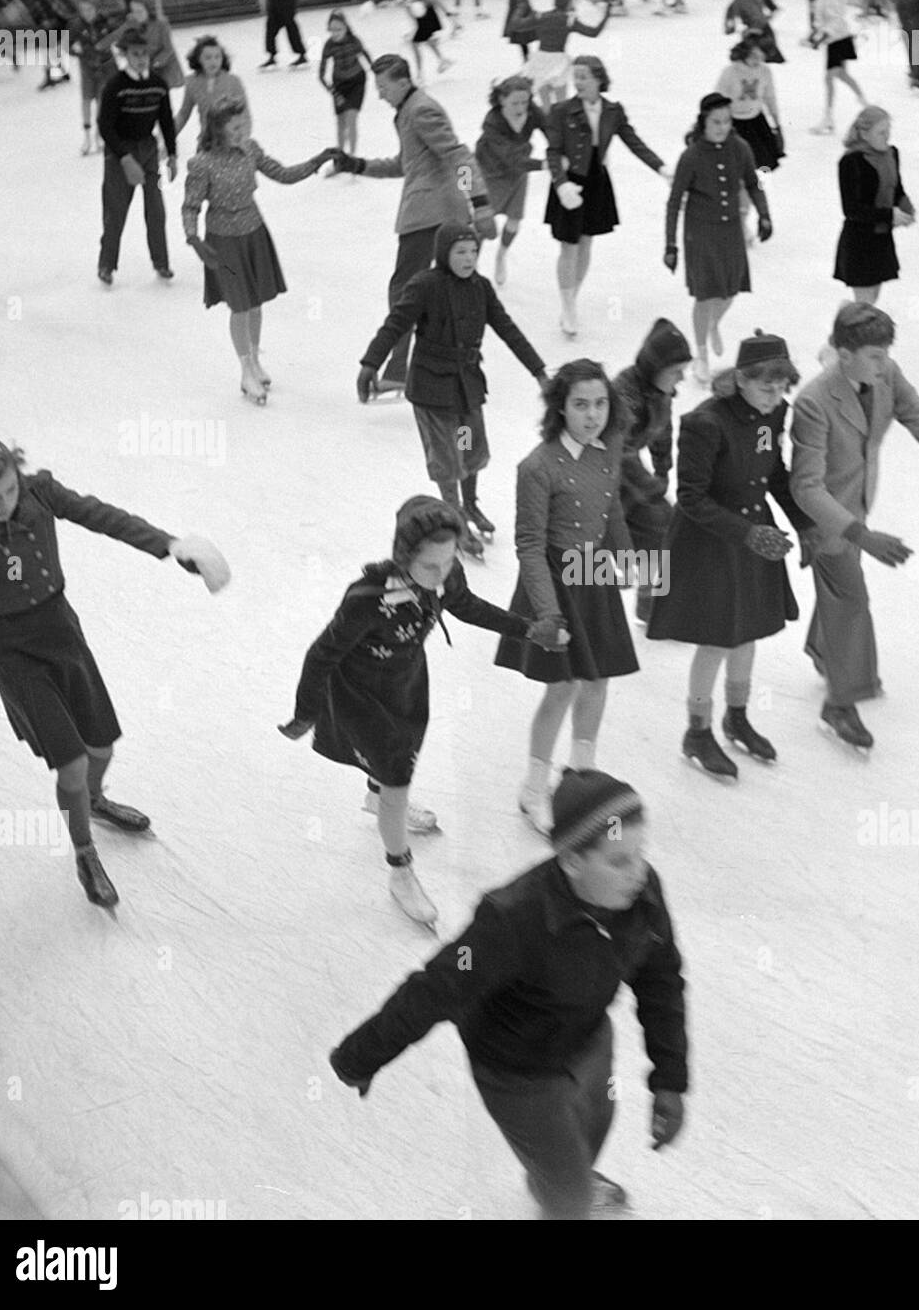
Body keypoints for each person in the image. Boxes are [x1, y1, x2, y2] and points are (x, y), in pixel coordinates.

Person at [328, 766, 687, 1220]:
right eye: (619, 861)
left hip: (590, 1044)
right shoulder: (511, 920)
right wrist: (360, 1056)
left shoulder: (644, 895)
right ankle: (565, 1192)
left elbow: (662, 982)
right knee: (569, 1197)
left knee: (591, 1137)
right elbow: (437, 986)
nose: (639, 873)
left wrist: (670, 1079)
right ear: (572, 861)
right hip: (518, 1072)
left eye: (640, 854)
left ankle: (561, 1180)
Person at [0, 429, 229, 912]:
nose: (3, 503)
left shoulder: (40, 492)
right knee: (70, 760)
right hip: (13, 650)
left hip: (62, 632)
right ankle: (85, 850)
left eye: (8, 490)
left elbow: (103, 516)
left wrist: (171, 545)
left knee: (101, 746)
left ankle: (95, 799)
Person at [281, 496, 561, 926]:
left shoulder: (446, 576)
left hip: (407, 685)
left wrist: (527, 631)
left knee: (396, 765)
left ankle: (378, 799)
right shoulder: (368, 598)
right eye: (430, 566)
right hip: (361, 698)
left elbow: (467, 606)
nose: (441, 575)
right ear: (403, 556)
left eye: (449, 563)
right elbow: (321, 654)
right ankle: (400, 870)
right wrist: (306, 713)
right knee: (399, 777)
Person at [789, 302, 919, 749]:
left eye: (885, 355)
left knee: (841, 592)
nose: (885, 365)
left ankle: (825, 652)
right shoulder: (813, 402)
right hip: (825, 520)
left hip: (859, 504)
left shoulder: (885, 376)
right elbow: (805, 487)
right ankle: (840, 703)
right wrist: (860, 535)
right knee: (850, 596)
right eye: (875, 357)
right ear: (844, 356)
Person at [647, 332, 812, 779]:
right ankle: (697, 731)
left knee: (749, 630)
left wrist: (804, 526)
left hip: (753, 536)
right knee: (718, 638)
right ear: (741, 379)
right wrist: (749, 533)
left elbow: (775, 473)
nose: (775, 395)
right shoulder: (706, 423)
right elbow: (691, 498)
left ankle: (736, 716)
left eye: (781, 388)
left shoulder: (773, 414)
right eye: (766, 386)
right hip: (709, 541)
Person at [495, 361, 637, 832]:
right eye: (581, 404)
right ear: (561, 407)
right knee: (563, 685)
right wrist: (547, 612)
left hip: (593, 574)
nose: (592, 414)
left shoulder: (605, 454)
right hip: (554, 580)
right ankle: (535, 786)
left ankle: (580, 776)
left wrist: (631, 560)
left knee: (597, 680)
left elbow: (611, 511)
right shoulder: (537, 466)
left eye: (600, 403)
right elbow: (529, 545)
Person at [355, 223, 549, 556]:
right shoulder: (425, 286)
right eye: (460, 251)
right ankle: (454, 517)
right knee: (447, 458)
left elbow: (508, 330)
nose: (468, 258)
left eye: (473, 251)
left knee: (469, 449)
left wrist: (540, 372)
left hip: (465, 388)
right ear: (444, 253)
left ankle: (469, 503)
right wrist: (370, 364)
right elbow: (396, 324)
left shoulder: (481, 288)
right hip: (432, 390)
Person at [332, 55, 497, 391]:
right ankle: (441, 365)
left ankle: (397, 370)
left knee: (405, 290)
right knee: (439, 291)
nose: (378, 95)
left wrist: (479, 202)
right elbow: (407, 164)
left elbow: (459, 156)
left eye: (383, 87)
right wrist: (358, 164)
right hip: (436, 211)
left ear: (403, 82)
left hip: (430, 215)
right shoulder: (408, 111)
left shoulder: (420, 110)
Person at [182, 100, 334, 404]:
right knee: (239, 305)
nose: (242, 131)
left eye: (244, 125)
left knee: (255, 303)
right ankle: (245, 369)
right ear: (218, 129)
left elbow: (283, 174)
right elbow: (190, 205)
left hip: (254, 232)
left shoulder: (250, 149)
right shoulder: (202, 164)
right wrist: (193, 238)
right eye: (235, 127)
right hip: (223, 241)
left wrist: (316, 161)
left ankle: (254, 359)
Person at [544, 55, 670, 338]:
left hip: (596, 180)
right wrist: (561, 185)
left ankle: (571, 300)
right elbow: (553, 151)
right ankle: (567, 306)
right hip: (569, 181)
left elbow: (634, 142)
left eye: (584, 76)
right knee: (569, 246)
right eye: (576, 77)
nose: (578, 82)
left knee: (586, 243)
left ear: (599, 78)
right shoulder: (561, 110)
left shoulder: (613, 110)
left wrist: (661, 168)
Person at [664, 94, 772, 384]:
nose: (722, 127)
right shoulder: (692, 156)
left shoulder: (740, 148)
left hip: (731, 230)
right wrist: (670, 245)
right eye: (716, 122)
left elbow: (752, 182)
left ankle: (714, 323)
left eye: (726, 121)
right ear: (703, 122)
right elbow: (674, 201)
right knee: (705, 294)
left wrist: (764, 215)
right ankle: (701, 354)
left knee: (731, 289)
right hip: (700, 232)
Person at [612, 317, 692, 623]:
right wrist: (651, 487)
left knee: (659, 525)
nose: (682, 378)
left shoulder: (660, 393)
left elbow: (662, 431)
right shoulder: (625, 395)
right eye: (676, 371)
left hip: (627, 475)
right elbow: (619, 451)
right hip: (600, 476)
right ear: (654, 368)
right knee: (657, 522)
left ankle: (649, 600)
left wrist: (663, 471)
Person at [96, 28, 177, 287]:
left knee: (156, 209)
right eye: (135, 54)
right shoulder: (116, 86)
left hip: (148, 149)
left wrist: (172, 154)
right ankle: (106, 264)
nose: (141, 59)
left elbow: (165, 121)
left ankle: (161, 262)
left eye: (144, 54)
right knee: (116, 210)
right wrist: (124, 158)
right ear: (125, 56)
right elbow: (105, 126)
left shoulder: (158, 84)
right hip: (120, 151)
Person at [834, 106, 914, 304]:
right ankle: (846, 328)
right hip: (859, 242)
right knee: (865, 303)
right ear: (863, 134)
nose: (887, 136)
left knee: (873, 297)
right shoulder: (850, 162)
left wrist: (906, 207)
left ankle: (847, 322)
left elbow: (897, 190)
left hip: (882, 239)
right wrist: (889, 215)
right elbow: (851, 209)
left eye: (888, 130)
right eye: (881, 132)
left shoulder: (892, 154)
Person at [474, 75, 547, 286]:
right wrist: (544, 164)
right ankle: (472, 267)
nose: (521, 107)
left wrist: (560, 150)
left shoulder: (532, 111)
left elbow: (551, 130)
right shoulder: (492, 122)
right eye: (515, 102)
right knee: (483, 222)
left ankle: (501, 256)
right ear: (502, 99)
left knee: (515, 220)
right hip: (491, 173)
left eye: (525, 101)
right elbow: (509, 159)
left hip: (518, 171)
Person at [508, 0, 610, 114]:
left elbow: (516, 24)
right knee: (561, 104)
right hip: (558, 62)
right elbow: (593, 32)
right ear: (568, 2)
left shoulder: (541, 17)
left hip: (540, 60)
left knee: (546, 105)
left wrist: (521, 6)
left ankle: (549, 128)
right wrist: (607, 14)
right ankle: (560, 129)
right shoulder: (568, 20)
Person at [715, 35, 784, 186]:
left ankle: (760, 187)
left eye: (761, 56)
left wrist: (777, 122)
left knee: (765, 159)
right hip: (734, 122)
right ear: (745, 53)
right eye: (753, 55)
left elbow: (770, 96)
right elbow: (718, 99)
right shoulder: (730, 72)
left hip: (756, 120)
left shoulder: (765, 71)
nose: (757, 60)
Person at [807, 0, 864, 135]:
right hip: (839, 37)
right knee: (840, 75)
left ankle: (828, 117)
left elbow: (834, 19)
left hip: (837, 39)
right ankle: (862, 99)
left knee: (830, 77)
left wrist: (821, 36)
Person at [319, 10, 373, 167]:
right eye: (331, 30)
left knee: (351, 118)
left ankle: (352, 157)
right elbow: (321, 75)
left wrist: (378, 73)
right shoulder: (328, 46)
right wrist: (334, 93)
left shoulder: (354, 41)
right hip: (339, 85)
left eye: (338, 29)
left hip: (357, 82)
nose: (335, 33)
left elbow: (367, 57)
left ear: (346, 28)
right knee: (340, 122)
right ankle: (340, 158)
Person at [174, 35, 249, 142]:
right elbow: (183, 114)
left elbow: (245, 114)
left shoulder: (233, 81)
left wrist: (243, 137)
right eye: (208, 58)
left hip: (231, 141)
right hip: (206, 142)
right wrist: (169, 138)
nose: (213, 62)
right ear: (199, 59)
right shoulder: (192, 83)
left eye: (217, 57)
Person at [70, 0, 117, 156]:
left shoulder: (105, 22)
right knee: (86, 99)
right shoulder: (76, 25)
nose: (87, 13)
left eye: (89, 9)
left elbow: (117, 36)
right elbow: (67, 44)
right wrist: (77, 52)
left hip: (104, 66)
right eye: (83, 10)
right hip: (87, 67)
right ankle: (87, 136)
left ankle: (99, 136)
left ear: (96, 9)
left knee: (102, 101)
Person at [724, 0, 784, 64]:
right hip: (759, 36)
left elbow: (758, 19)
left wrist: (751, 32)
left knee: (746, 65)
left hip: (760, 38)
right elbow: (733, 7)